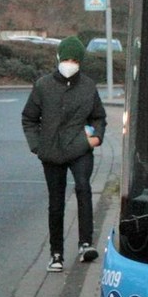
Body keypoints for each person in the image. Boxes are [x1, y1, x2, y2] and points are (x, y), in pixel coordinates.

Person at [22, 36, 107, 272]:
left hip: (79, 148)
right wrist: (37, 145)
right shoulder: (43, 85)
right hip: (51, 151)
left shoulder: (88, 86)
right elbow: (29, 118)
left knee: (83, 187)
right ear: (58, 58)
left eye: (75, 60)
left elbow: (98, 116)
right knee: (56, 201)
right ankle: (56, 253)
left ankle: (85, 243)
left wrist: (96, 137)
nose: (70, 64)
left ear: (80, 62)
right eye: (67, 59)